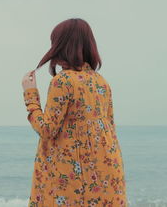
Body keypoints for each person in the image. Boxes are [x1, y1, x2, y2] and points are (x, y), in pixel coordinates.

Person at [21, 18, 127, 206]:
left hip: (70, 178)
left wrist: (30, 95)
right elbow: (110, 128)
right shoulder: (101, 82)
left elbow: (47, 130)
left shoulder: (63, 81)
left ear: (61, 47)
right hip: (106, 171)